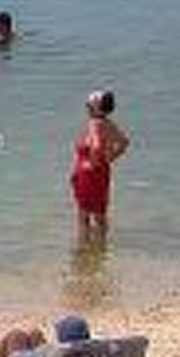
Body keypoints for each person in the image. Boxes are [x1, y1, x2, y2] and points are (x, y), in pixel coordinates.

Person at [71, 90, 130, 247]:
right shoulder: (108, 123)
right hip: (101, 172)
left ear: (95, 106)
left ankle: (84, 250)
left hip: (88, 174)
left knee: (84, 215)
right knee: (100, 213)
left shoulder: (95, 124)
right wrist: (108, 160)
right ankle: (101, 250)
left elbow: (96, 146)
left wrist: (91, 163)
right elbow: (124, 142)